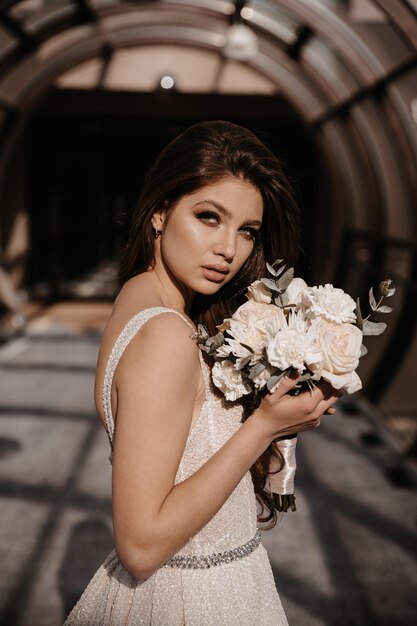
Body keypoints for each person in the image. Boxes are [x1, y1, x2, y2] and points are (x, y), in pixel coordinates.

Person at [64, 120, 340, 625]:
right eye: (209, 217)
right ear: (160, 212)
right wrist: (264, 427)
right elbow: (141, 545)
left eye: (246, 231)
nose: (229, 250)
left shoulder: (136, 297)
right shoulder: (167, 336)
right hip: (191, 601)